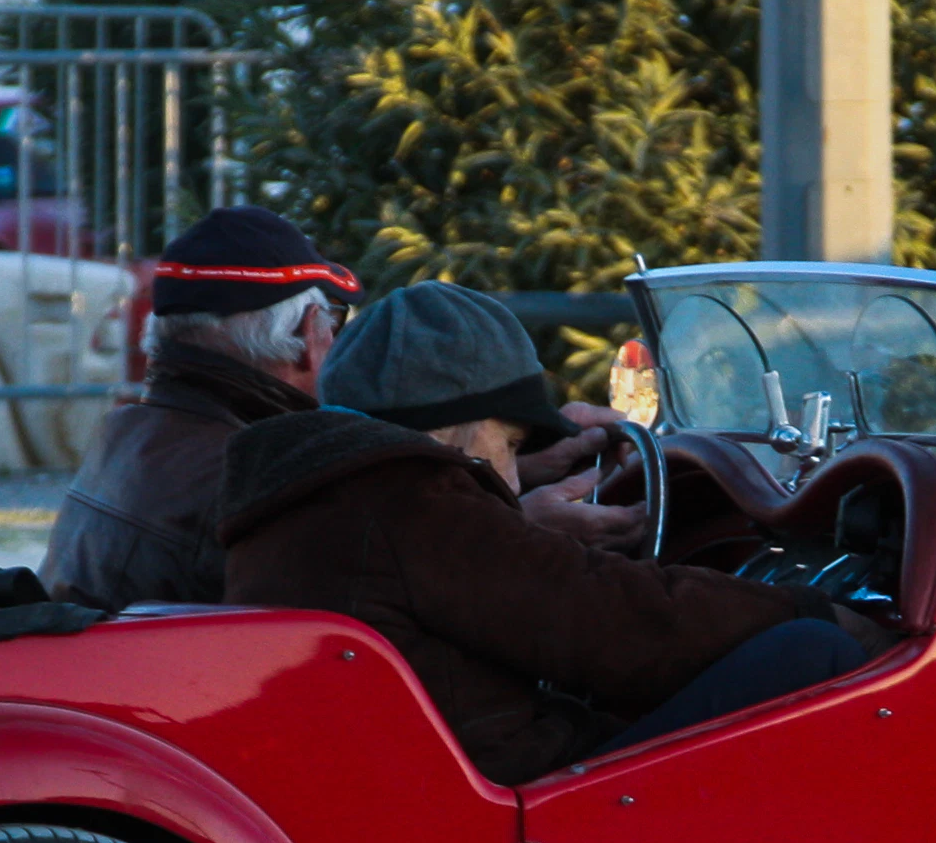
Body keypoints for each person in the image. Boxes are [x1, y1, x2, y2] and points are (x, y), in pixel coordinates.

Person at [219, 282, 882, 784]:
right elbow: (612, 621)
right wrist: (813, 608)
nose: (508, 476)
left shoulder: (317, 491)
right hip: (513, 796)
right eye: (508, 444)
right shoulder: (407, 498)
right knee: (811, 653)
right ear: (458, 425)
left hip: (429, 775)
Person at [39, 206, 358, 610]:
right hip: (166, 672)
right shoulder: (266, 475)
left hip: (103, 668)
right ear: (309, 335)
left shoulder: (122, 432)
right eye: (333, 322)